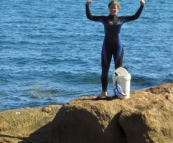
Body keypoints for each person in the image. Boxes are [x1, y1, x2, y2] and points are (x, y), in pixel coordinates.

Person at [86, 0, 145, 99]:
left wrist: (141, 6)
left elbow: (135, 16)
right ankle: (104, 92)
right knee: (104, 70)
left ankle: (118, 92)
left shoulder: (122, 19)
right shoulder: (104, 19)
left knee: (118, 71)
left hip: (118, 47)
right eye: (112, 7)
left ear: (118, 9)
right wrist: (87, 5)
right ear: (109, 8)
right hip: (106, 47)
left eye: (115, 8)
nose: (113, 9)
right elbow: (90, 17)